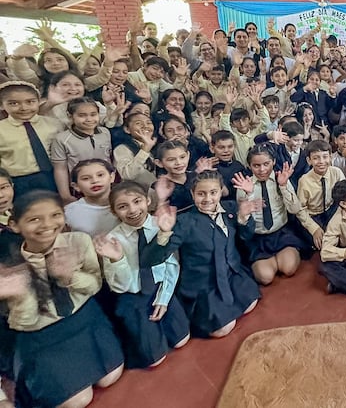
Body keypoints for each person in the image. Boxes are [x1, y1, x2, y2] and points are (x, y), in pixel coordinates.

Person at [2, 191, 124, 407]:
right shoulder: (9, 265)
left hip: (84, 320)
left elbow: (94, 286)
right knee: (78, 400)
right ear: (14, 224)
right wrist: (22, 295)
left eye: (55, 215)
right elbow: (25, 323)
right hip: (41, 335)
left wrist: (69, 277)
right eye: (34, 219)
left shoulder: (78, 241)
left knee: (109, 378)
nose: (47, 224)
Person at [140, 170, 261, 338]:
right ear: (192, 193)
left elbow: (245, 237)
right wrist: (164, 233)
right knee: (223, 329)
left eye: (213, 193)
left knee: (251, 302)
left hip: (230, 274)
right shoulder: (184, 221)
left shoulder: (231, 208)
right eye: (201, 194)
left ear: (220, 191)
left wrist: (244, 219)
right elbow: (152, 259)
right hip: (204, 283)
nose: (208, 199)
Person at [96, 181, 190, 369]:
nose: (132, 210)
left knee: (182, 340)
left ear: (147, 200)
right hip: (133, 296)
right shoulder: (113, 240)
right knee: (155, 359)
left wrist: (164, 298)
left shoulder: (161, 224)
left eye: (137, 201)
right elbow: (119, 287)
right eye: (123, 207)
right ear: (114, 212)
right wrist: (118, 259)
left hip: (161, 288)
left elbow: (172, 265)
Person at [233, 146, 304, 285]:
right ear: (249, 165)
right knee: (265, 278)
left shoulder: (281, 178)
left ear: (273, 162)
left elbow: (295, 209)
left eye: (266, 164)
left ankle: (281, 257)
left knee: (289, 269)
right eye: (256, 165)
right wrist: (248, 195)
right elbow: (244, 228)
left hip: (281, 233)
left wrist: (284, 186)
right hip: (257, 238)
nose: (262, 170)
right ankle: (269, 261)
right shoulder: (244, 186)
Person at [0, 81, 62, 196]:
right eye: (14, 103)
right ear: (2, 105)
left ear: (39, 102)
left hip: (53, 177)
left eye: (30, 102)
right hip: (17, 181)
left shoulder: (54, 124)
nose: (24, 108)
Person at [51, 97, 113, 204]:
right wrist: (65, 195)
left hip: (105, 184)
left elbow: (108, 158)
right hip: (81, 187)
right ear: (71, 116)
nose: (89, 119)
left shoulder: (105, 133)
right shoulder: (62, 139)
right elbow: (60, 169)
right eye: (82, 115)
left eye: (93, 114)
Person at [296, 140, 346, 250]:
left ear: (330, 158)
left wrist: (336, 221)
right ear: (309, 160)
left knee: (344, 236)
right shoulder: (304, 181)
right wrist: (314, 229)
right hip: (313, 215)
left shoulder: (336, 172)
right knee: (321, 242)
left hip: (332, 210)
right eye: (316, 158)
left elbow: (344, 197)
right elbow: (300, 210)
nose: (321, 161)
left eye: (325, 157)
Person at [64, 159, 120, 237]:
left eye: (100, 175)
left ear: (112, 177)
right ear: (76, 186)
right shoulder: (69, 212)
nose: (95, 181)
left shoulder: (128, 204)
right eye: (86, 178)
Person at [114, 112, 158, 189]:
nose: (145, 126)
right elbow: (127, 175)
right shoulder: (122, 149)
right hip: (135, 194)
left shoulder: (156, 146)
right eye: (138, 123)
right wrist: (145, 150)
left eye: (149, 123)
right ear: (127, 129)